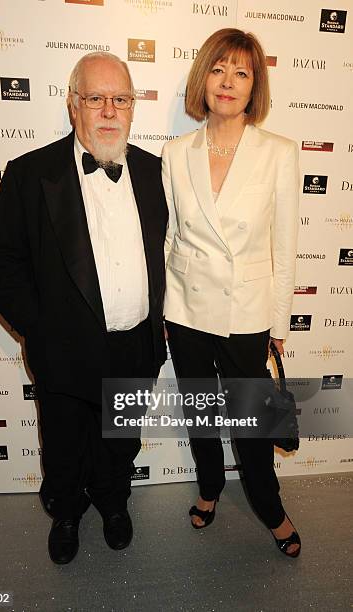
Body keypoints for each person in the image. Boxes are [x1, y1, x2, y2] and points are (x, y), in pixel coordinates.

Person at [0, 52, 167, 564]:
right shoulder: (29, 173)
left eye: (120, 99)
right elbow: (2, 260)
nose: (109, 110)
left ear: (132, 108)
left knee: (119, 438)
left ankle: (113, 502)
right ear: (73, 105)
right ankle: (65, 513)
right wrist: (39, 329)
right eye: (95, 98)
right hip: (62, 347)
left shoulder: (156, 173)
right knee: (63, 442)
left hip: (136, 343)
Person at [162, 28, 301, 557]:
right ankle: (209, 487)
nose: (228, 82)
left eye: (242, 72)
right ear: (204, 77)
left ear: (254, 86)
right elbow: (174, 235)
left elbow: (285, 246)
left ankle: (270, 506)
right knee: (199, 411)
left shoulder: (279, 153)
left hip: (247, 313)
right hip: (187, 309)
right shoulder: (176, 152)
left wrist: (280, 323)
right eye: (219, 69)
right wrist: (166, 310)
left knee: (252, 423)